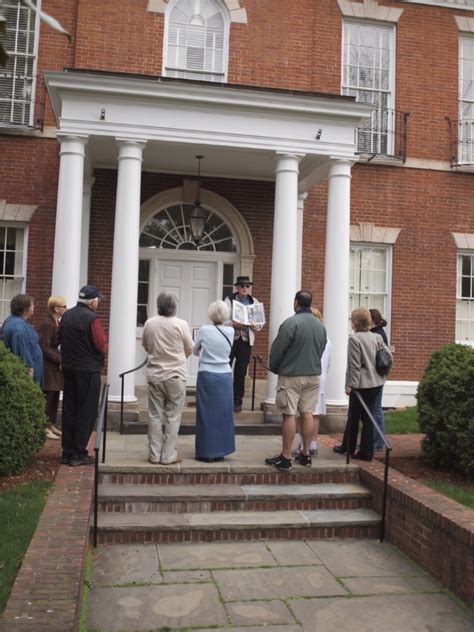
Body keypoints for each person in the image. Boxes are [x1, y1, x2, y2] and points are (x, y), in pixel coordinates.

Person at [265, 290, 327, 471]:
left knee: (289, 414)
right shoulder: (320, 326)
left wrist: (274, 367)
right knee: (307, 413)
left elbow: (277, 349)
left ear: (295, 303)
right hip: (313, 375)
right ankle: (305, 454)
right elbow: (321, 349)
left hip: (292, 375)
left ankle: (285, 456)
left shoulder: (291, 323)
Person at [333, 307, 392, 462]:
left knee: (353, 417)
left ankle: (349, 448)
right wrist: (383, 374)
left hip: (361, 385)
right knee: (369, 418)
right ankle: (366, 452)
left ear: (356, 322)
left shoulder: (355, 339)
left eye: (352, 320)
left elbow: (354, 365)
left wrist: (349, 385)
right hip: (376, 383)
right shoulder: (377, 337)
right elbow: (388, 357)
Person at [142, 291, 193, 465]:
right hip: (176, 375)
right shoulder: (181, 324)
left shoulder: (150, 323)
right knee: (173, 416)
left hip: (155, 374)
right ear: (174, 307)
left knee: (155, 415)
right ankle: (168, 455)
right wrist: (177, 359)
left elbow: (146, 347)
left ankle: (154, 454)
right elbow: (189, 348)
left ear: (159, 306)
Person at [59, 285, 108, 466]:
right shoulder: (92, 318)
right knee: (86, 411)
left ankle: (67, 451)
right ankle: (79, 452)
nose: (98, 303)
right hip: (88, 370)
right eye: (98, 300)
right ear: (93, 301)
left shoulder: (66, 315)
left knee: (69, 410)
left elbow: (59, 339)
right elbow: (101, 344)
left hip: (69, 368)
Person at [193, 300, 235, 462]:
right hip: (224, 374)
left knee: (205, 413)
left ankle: (206, 451)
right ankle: (221, 451)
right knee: (223, 414)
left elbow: (196, 350)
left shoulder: (204, 330)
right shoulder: (230, 331)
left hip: (207, 374)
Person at [292, 307, 331, 458]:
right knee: (315, 414)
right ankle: (312, 443)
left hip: (309, 375)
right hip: (320, 377)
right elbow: (328, 362)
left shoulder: (310, 337)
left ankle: (304, 444)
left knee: (305, 413)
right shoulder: (327, 339)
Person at [224, 276, 264, 413]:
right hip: (231, 340)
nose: (244, 289)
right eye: (241, 286)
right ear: (237, 287)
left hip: (246, 341)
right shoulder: (229, 300)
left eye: (247, 286)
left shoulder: (254, 302)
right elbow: (222, 321)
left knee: (241, 372)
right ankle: (224, 398)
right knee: (225, 369)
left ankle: (237, 401)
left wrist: (254, 325)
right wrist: (233, 324)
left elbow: (260, 326)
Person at [38, 296, 67, 441]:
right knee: (49, 394)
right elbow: (44, 346)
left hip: (54, 365)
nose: (65, 308)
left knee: (55, 394)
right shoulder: (47, 323)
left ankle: (51, 424)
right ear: (56, 308)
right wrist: (59, 359)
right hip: (48, 365)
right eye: (63, 306)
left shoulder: (56, 322)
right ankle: (44, 426)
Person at [2, 294, 43, 386]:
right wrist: (29, 375)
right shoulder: (19, 328)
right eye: (32, 305)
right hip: (27, 378)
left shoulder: (13, 321)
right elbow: (22, 353)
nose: (34, 307)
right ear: (25, 310)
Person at [370, 308, 388, 451]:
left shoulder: (377, 335)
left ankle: (378, 442)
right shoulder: (379, 333)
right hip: (378, 376)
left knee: (376, 409)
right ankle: (373, 440)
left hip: (376, 376)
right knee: (374, 409)